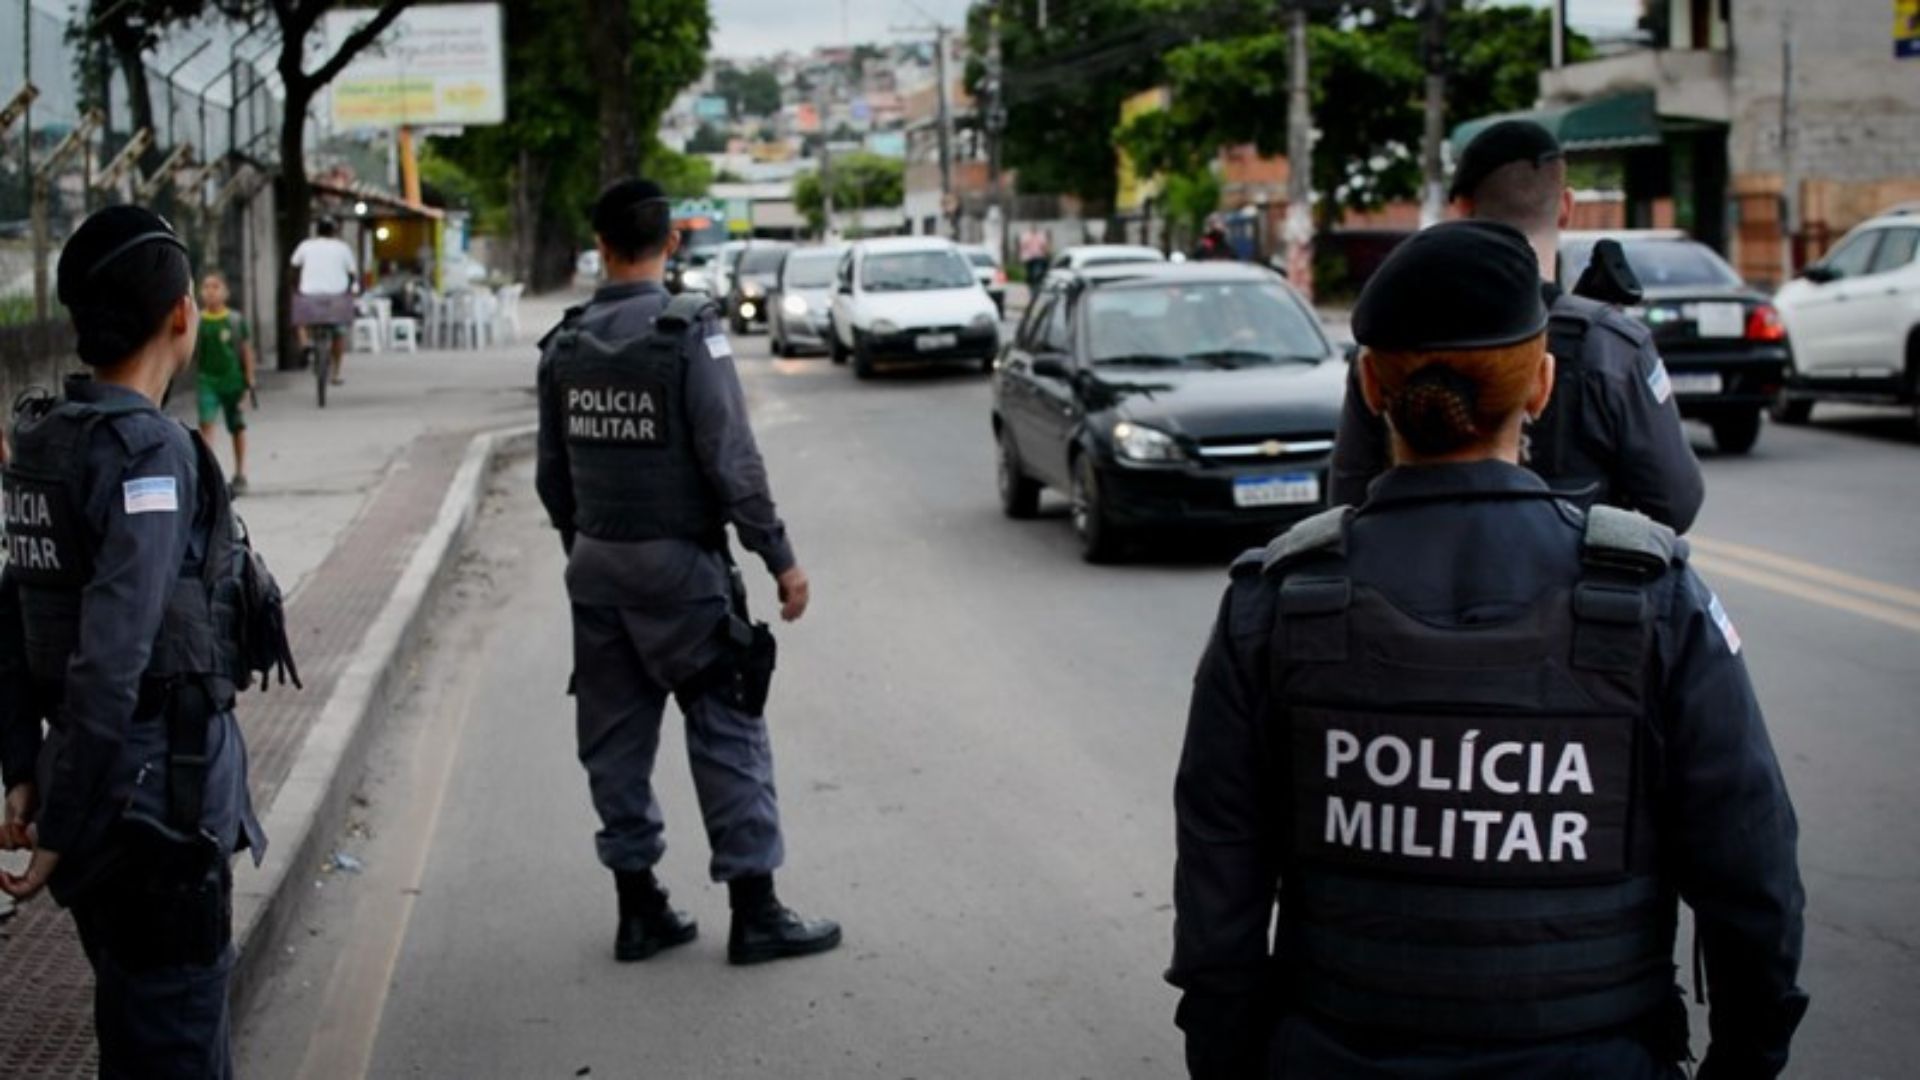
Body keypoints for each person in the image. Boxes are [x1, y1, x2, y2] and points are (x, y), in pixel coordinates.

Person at [1168, 220, 1807, 1079]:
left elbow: (1218, 896)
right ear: (1540, 385)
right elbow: (1752, 878)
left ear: (1370, 384)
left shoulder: (1276, 603)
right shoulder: (1654, 599)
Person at [535, 179, 841, 966]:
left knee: (613, 741)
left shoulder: (565, 345)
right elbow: (732, 459)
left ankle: (639, 908)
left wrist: (590, 547)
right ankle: (755, 912)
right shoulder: (688, 332)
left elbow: (552, 479)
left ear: (600, 246)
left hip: (596, 572)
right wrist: (779, 558)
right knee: (726, 727)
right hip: (681, 574)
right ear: (671, 243)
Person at [0, 206, 269, 1078]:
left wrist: (25, 768)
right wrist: (60, 820)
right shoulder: (148, 453)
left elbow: (15, 613)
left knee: (142, 1025)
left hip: (102, 790)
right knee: (175, 1041)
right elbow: (113, 656)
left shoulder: (45, 438)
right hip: (155, 807)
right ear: (182, 315)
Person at [1329, 120, 1705, 533]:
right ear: (1565, 206)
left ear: (1463, 209)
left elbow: (1347, 500)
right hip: (1567, 573)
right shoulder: (1609, 344)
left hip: (1406, 567)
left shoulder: (1391, 336)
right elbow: (1676, 503)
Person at [193, 272, 256, 495]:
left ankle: (240, 472)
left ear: (226, 292)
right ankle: (209, 475)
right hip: (207, 381)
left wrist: (249, 381)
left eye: (215, 286)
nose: (210, 292)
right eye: (206, 287)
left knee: (237, 426)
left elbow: (246, 351)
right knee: (206, 425)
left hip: (233, 382)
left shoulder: (235, 321)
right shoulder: (198, 321)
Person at [290, 216, 357, 387]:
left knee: (300, 321)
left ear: (317, 230)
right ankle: (336, 373)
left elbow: (294, 267)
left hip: (309, 295)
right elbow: (352, 274)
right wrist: (348, 291)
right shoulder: (343, 248)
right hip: (336, 297)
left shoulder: (306, 246)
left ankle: (305, 343)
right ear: (334, 231)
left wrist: (296, 288)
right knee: (339, 333)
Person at [1019, 226, 1052, 291]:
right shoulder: (1026, 236)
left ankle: (1037, 281)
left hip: (1038, 256)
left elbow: (1044, 246)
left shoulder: (1040, 236)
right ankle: (1031, 283)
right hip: (1029, 257)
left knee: (1038, 270)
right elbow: (1023, 246)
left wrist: (1046, 253)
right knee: (1030, 272)